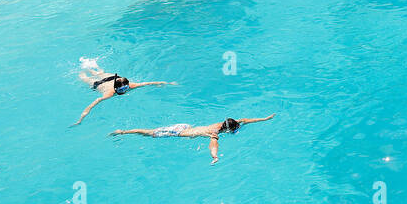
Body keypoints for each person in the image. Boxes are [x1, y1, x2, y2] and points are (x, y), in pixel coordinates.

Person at [110, 115, 274, 164]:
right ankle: (123, 132)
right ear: (228, 129)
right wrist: (215, 157)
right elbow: (213, 144)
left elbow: (244, 119)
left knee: (149, 131)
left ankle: (124, 131)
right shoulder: (215, 132)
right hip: (177, 132)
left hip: (184, 126)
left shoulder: (222, 124)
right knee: (148, 132)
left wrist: (265, 119)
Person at [72, 67, 174, 124]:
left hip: (111, 77)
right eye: (121, 90)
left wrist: (167, 83)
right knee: (84, 78)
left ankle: (91, 67)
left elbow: (148, 83)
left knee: (101, 73)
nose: (124, 91)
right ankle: (82, 70)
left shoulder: (131, 85)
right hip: (99, 83)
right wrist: (81, 118)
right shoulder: (109, 93)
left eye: (126, 88)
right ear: (116, 89)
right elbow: (93, 104)